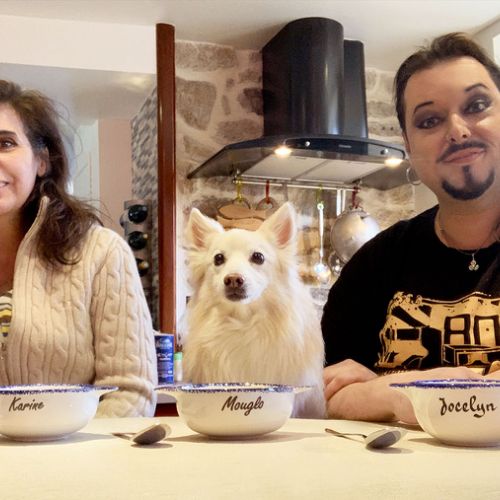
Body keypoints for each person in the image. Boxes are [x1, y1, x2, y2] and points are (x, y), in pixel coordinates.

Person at [322, 33, 500, 423]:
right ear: (409, 145)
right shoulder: (374, 265)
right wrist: (401, 391)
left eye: (477, 106)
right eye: (429, 121)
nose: (458, 130)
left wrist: (394, 390)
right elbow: (332, 394)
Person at [0, 79, 157, 417]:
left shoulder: (101, 253)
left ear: (42, 161)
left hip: (74, 451)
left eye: (5, 143)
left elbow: (129, 392)